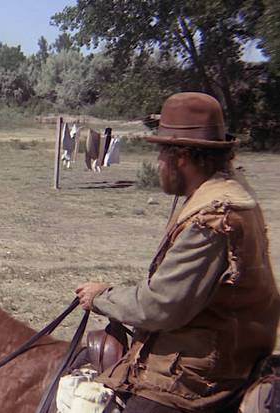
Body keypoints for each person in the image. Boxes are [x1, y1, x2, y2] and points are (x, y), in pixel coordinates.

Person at [76, 92, 280, 412]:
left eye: (161, 153)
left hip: (198, 377)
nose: (157, 164)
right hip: (225, 349)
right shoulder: (226, 190)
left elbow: (161, 306)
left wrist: (102, 298)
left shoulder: (213, 217)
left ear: (180, 157)